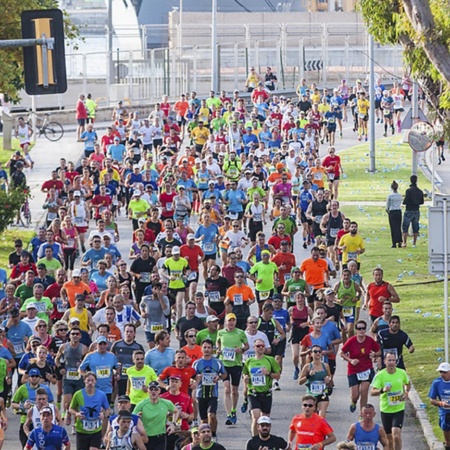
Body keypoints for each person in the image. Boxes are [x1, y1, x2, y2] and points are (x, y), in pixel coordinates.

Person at [370, 352, 410, 450]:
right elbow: (372, 392)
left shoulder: (402, 373)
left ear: (396, 362)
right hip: (386, 409)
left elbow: (407, 384)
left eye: (393, 360)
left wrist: (406, 393)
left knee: (396, 435)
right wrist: (383, 390)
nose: (391, 362)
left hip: (399, 408)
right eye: (389, 360)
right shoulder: (380, 375)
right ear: (384, 361)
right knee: (389, 439)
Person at [340, 320, 381, 414]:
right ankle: (353, 401)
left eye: (363, 328)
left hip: (366, 369)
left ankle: (362, 414)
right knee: (355, 395)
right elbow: (341, 353)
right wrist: (350, 360)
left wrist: (374, 354)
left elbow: (379, 351)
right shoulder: (351, 341)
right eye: (359, 328)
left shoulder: (370, 340)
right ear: (356, 330)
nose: (361, 330)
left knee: (364, 391)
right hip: (353, 370)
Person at [242, 338, 281, 435]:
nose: (260, 348)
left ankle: (264, 438)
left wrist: (268, 373)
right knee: (255, 418)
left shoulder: (270, 360)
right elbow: (245, 373)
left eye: (262, 346)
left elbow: (278, 376)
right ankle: (255, 440)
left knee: (265, 420)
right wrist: (245, 377)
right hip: (253, 392)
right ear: (254, 348)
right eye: (258, 346)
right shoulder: (249, 361)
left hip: (266, 393)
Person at [216, 313, 249, 425]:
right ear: (225, 322)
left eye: (233, 321)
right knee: (226, 389)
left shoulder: (240, 333)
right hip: (224, 363)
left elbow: (247, 346)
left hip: (236, 364)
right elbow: (218, 342)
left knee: (234, 390)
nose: (231, 323)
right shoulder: (221, 332)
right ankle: (229, 414)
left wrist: (241, 350)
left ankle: (234, 410)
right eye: (229, 321)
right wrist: (218, 349)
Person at [69, 372, 110, 450]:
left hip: (96, 431)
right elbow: (71, 408)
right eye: (88, 380)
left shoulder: (101, 395)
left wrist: (104, 415)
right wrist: (77, 414)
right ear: (84, 381)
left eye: (92, 380)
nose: (90, 383)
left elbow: (107, 409)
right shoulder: (78, 394)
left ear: (95, 381)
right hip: (82, 431)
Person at [133, 380, 178, 450]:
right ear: (148, 390)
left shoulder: (166, 403)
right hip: (147, 437)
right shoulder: (141, 404)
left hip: (160, 437)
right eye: (151, 389)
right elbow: (132, 418)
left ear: (159, 391)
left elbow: (176, 411)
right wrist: (138, 417)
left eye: (156, 389)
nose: (153, 391)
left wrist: (173, 424)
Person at [298, 344, 332, 417]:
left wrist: (328, 379)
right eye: (315, 351)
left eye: (319, 351)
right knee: (312, 415)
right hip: (311, 393)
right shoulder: (307, 366)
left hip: (323, 392)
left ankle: (320, 427)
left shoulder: (325, 366)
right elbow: (300, 382)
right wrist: (308, 375)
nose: (317, 353)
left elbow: (329, 376)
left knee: (321, 415)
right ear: (311, 354)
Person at [428, 362, 450, 450]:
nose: (442, 374)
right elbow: (432, 400)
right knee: (448, 439)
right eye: (441, 372)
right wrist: (441, 403)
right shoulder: (436, 383)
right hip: (445, 413)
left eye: (444, 372)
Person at [402, 175, 424, 247]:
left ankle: (404, 242)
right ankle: (414, 243)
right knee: (415, 227)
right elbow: (422, 202)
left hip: (409, 210)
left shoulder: (408, 191)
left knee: (405, 226)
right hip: (416, 210)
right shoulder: (420, 191)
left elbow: (405, 201)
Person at [386, 180, 403, 248]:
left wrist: (387, 210)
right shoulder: (399, 196)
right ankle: (399, 242)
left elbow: (388, 205)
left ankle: (394, 243)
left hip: (392, 211)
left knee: (393, 227)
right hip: (398, 211)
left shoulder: (390, 196)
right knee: (398, 227)